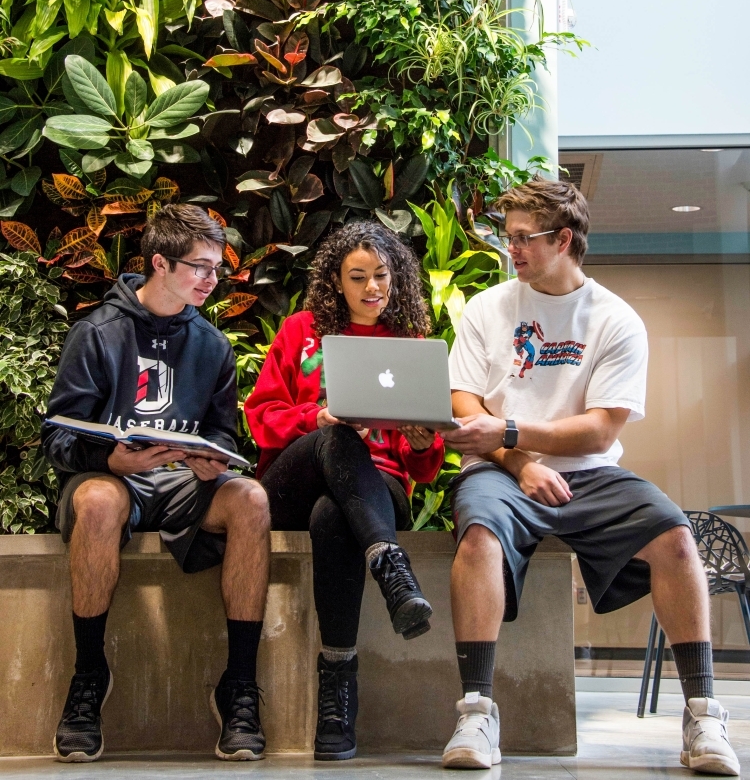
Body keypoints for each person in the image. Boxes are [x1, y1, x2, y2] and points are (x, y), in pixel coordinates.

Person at [439, 178, 740, 775]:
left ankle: (703, 713)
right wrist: (520, 462)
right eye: (510, 237)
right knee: (478, 534)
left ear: (564, 239)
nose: (512, 249)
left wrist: (514, 434)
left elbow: (601, 431)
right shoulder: (487, 308)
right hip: (501, 471)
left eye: (524, 238)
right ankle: (476, 710)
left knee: (675, 536)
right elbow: (466, 408)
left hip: (592, 474)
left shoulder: (615, 319)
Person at [42, 204, 271, 763]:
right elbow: (57, 439)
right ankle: (88, 679)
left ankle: (239, 685)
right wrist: (111, 459)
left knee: (251, 499)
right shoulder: (97, 332)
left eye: (218, 268)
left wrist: (213, 462)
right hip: (114, 481)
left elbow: (221, 434)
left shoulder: (213, 346)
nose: (212, 280)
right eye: (200, 267)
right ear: (159, 264)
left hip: (180, 484)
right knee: (95, 500)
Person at [245, 220, 444, 761]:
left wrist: (423, 439)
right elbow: (260, 417)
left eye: (382, 275)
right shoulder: (301, 331)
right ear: (336, 280)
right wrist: (318, 417)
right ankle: (391, 567)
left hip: (375, 491)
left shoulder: (409, 344)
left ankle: (338, 690)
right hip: (296, 477)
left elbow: (423, 470)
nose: (372, 288)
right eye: (358, 277)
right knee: (335, 436)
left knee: (335, 517)